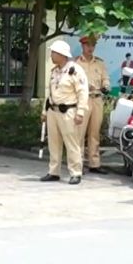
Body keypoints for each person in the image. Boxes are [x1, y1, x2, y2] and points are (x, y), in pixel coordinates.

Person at [40, 40, 89, 185]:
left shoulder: (75, 70)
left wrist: (80, 112)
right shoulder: (54, 71)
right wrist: (44, 110)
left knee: (71, 142)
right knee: (53, 143)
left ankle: (75, 172)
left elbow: (82, 92)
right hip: (53, 111)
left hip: (68, 111)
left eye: (54, 52)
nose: (51, 55)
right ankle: (53, 171)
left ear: (61, 55)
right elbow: (50, 92)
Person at [76, 35, 110, 174]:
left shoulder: (100, 63)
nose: (90, 48)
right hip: (83, 100)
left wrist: (106, 85)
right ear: (82, 46)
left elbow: (105, 79)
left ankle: (94, 163)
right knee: (79, 133)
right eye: (88, 45)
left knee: (94, 133)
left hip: (97, 99)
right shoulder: (76, 64)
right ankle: (77, 163)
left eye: (93, 45)